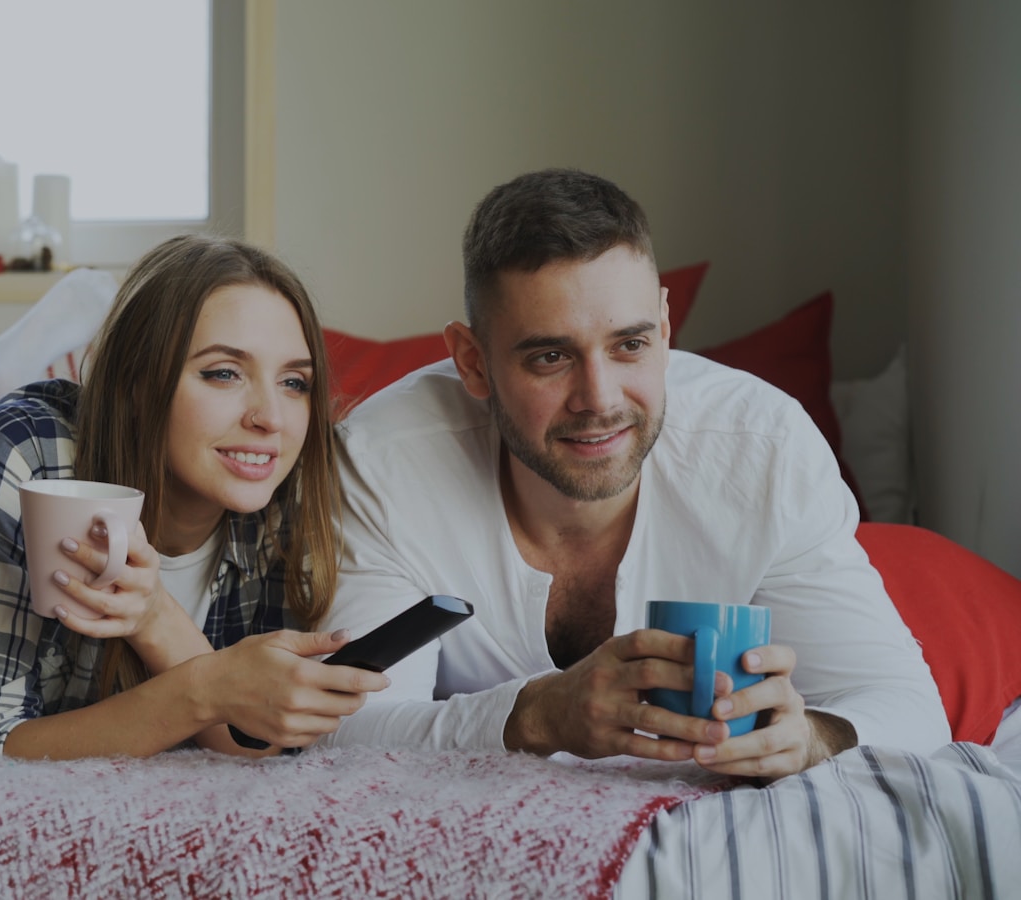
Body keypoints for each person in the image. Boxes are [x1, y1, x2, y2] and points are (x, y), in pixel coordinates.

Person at [321, 168, 950, 780]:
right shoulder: (382, 462)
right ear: (473, 362)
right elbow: (343, 727)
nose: (599, 399)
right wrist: (536, 715)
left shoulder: (766, 451)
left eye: (631, 346)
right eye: (550, 356)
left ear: (666, 327)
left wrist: (811, 736)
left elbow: (906, 706)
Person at [0, 234, 390, 759]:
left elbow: (250, 738)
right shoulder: (26, 447)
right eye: (223, 373)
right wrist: (202, 689)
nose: (272, 419)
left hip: (21, 479)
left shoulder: (289, 488)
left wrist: (167, 631)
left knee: (5, 450)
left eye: (294, 382)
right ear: (135, 384)